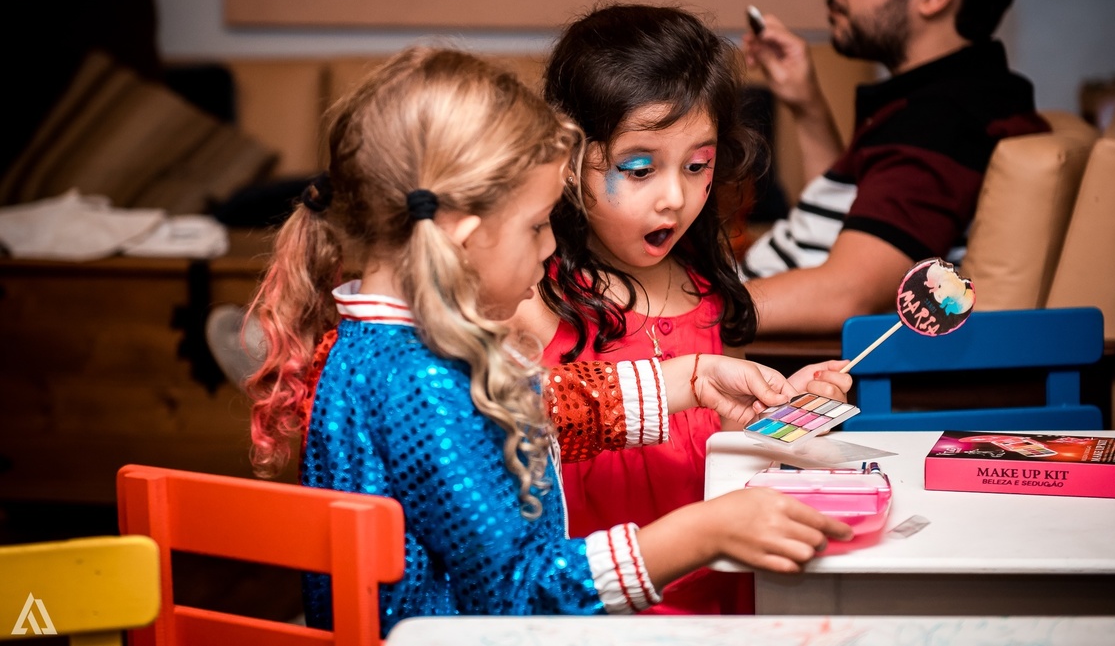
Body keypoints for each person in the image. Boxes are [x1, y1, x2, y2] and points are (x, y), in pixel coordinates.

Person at [243, 47, 853, 633]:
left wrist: (691, 380)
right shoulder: (418, 381)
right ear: (463, 234)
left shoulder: (389, 349)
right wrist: (699, 534)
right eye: (538, 226)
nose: (547, 247)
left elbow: (530, 408)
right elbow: (517, 593)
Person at [509, 4, 853, 614]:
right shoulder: (532, 298)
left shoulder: (707, 290)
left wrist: (780, 411)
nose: (675, 197)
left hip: (725, 581)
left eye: (698, 166)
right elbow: (516, 445)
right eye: (638, 169)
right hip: (609, 600)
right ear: (567, 159)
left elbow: (714, 440)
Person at [740, 0, 1049, 334]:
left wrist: (678, 318)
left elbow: (847, 292)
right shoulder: (950, 100)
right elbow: (843, 227)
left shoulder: (942, 123)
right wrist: (806, 104)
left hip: (759, 354)